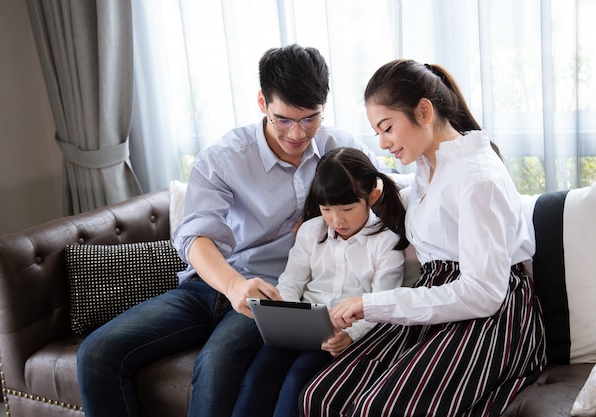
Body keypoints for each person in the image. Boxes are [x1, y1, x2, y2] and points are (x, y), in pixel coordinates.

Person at [76, 44, 401, 417]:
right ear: (262, 102)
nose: (297, 133)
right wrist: (231, 285)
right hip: (210, 285)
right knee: (97, 353)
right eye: (283, 119)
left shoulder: (340, 148)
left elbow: (391, 190)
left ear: (323, 109)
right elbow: (194, 234)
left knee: (217, 365)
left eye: (310, 119)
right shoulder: (225, 156)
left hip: (274, 293)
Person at [301, 59, 547, 417]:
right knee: (321, 395)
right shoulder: (427, 163)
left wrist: (372, 304)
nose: (384, 143)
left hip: (489, 313)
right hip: (436, 296)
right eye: (377, 133)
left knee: (378, 408)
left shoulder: (479, 178)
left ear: (424, 111)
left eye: (387, 128)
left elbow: (483, 294)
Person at [232, 147, 408, 417]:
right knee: (258, 375)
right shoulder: (310, 231)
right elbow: (291, 282)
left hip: (343, 335)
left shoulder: (387, 244)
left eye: (347, 209)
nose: (336, 220)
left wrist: (350, 335)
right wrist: (286, 316)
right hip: (299, 329)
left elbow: (381, 305)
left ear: (372, 197)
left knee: (297, 380)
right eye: (327, 209)